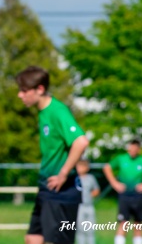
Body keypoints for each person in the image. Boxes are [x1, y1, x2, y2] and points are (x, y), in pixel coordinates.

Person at [16, 66, 89, 244]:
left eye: (24, 90)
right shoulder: (43, 112)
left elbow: (81, 142)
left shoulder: (58, 111)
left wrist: (63, 174)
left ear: (40, 89)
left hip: (62, 191)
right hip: (46, 188)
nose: (20, 95)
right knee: (32, 239)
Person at [103, 139, 142, 244]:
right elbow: (107, 168)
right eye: (131, 148)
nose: (133, 150)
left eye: (135, 149)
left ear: (139, 149)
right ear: (128, 148)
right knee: (123, 223)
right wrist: (114, 183)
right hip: (124, 195)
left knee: (138, 224)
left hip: (137, 196)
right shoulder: (121, 158)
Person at [76, 159, 100, 244]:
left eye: (84, 166)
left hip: (89, 206)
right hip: (79, 206)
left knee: (90, 228)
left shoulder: (90, 178)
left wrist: (92, 195)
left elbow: (96, 189)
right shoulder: (75, 178)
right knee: (80, 228)